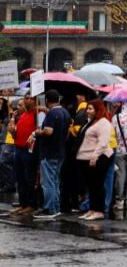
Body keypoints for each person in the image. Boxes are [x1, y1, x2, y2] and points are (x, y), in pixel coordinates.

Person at [33, 91, 71, 219]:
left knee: (48, 183)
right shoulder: (65, 113)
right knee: (55, 181)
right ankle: (55, 208)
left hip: (49, 153)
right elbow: (67, 134)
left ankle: (49, 209)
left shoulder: (51, 113)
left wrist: (39, 132)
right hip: (60, 151)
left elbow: (48, 131)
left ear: (47, 100)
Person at [76, 100, 115, 221]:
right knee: (91, 185)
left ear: (98, 110)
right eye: (87, 108)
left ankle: (99, 210)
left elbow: (103, 142)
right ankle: (92, 209)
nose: (88, 111)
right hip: (85, 158)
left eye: (91, 109)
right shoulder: (92, 122)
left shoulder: (103, 123)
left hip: (98, 158)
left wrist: (95, 156)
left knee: (97, 185)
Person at [8, 96, 38, 216]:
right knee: (20, 178)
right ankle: (23, 204)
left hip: (29, 150)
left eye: (30, 98)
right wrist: (13, 131)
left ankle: (31, 204)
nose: (27, 100)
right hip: (18, 148)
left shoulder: (37, 113)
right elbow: (16, 135)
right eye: (26, 98)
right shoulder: (23, 115)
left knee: (29, 178)